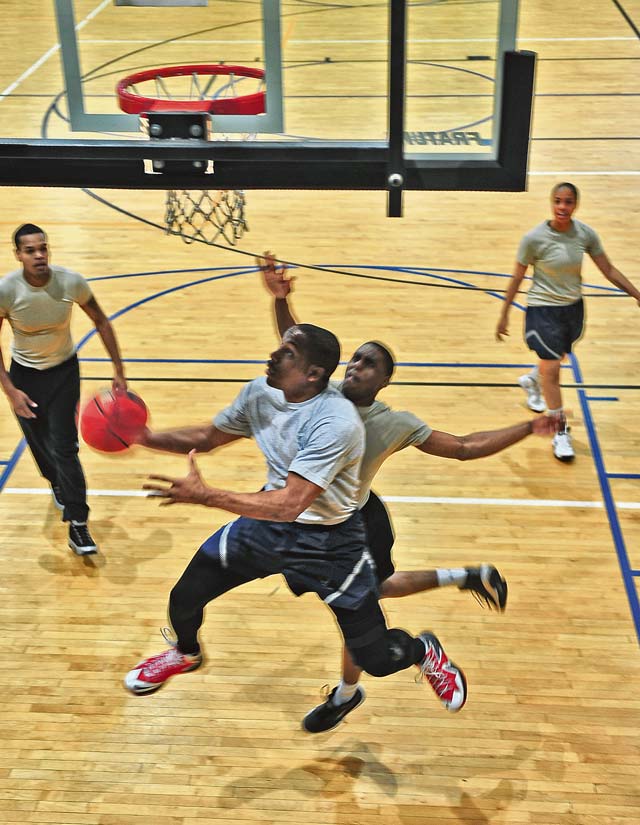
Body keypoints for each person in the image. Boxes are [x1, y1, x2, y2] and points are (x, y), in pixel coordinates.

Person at [257, 252, 558, 733]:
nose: (356, 366)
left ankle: (366, 683)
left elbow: (462, 447)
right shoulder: (322, 393)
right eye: (355, 358)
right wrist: (281, 299)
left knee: (359, 609)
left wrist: (528, 426)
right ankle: (465, 578)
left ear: (385, 381)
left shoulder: (395, 423)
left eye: (369, 363)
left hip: (354, 523)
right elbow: (293, 342)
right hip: (307, 519)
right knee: (363, 601)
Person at [124, 323, 469, 716]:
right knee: (185, 596)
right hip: (266, 527)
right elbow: (208, 436)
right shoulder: (261, 392)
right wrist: (144, 437)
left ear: (313, 374)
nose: (273, 355)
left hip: (329, 543)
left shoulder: (336, 422)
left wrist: (207, 496)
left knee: (374, 656)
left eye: (286, 353)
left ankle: (421, 651)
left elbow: (291, 504)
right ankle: (186, 653)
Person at [0, 224, 127, 555]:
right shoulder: (7, 290)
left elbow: (101, 320)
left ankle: (79, 524)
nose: (39, 255)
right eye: (30, 250)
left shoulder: (71, 281)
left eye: (43, 248)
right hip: (25, 377)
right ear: (18, 255)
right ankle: (55, 481)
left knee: (65, 446)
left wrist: (118, 370)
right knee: (42, 445)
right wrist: (10, 390)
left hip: (64, 373)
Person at [496, 182, 640, 462]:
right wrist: (504, 314)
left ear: (576, 204)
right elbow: (517, 277)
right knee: (553, 371)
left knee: (557, 359)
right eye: (558, 201)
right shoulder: (534, 238)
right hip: (542, 310)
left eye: (569, 202)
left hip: (572, 310)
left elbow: (608, 269)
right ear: (552, 203)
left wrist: (636, 293)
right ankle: (560, 431)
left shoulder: (585, 234)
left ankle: (531, 380)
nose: (563, 207)